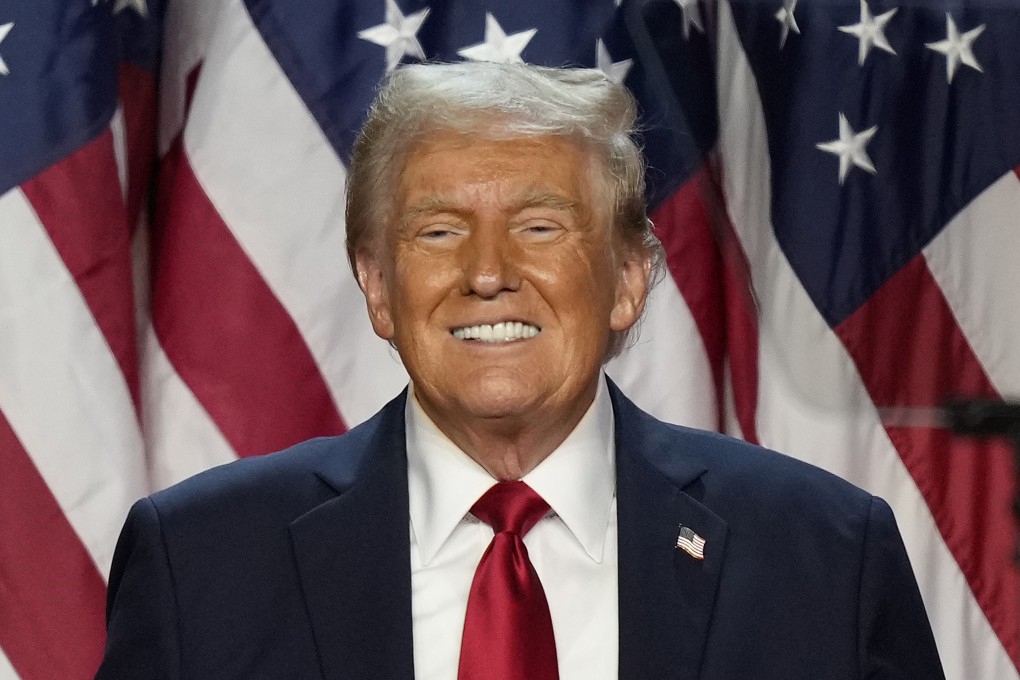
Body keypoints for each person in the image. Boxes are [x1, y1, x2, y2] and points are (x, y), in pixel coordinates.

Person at [95, 62, 944, 680]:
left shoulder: (824, 556)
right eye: (438, 231)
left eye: (541, 227)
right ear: (377, 288)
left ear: (628, 281)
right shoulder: (202, 563)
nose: (489, 271)